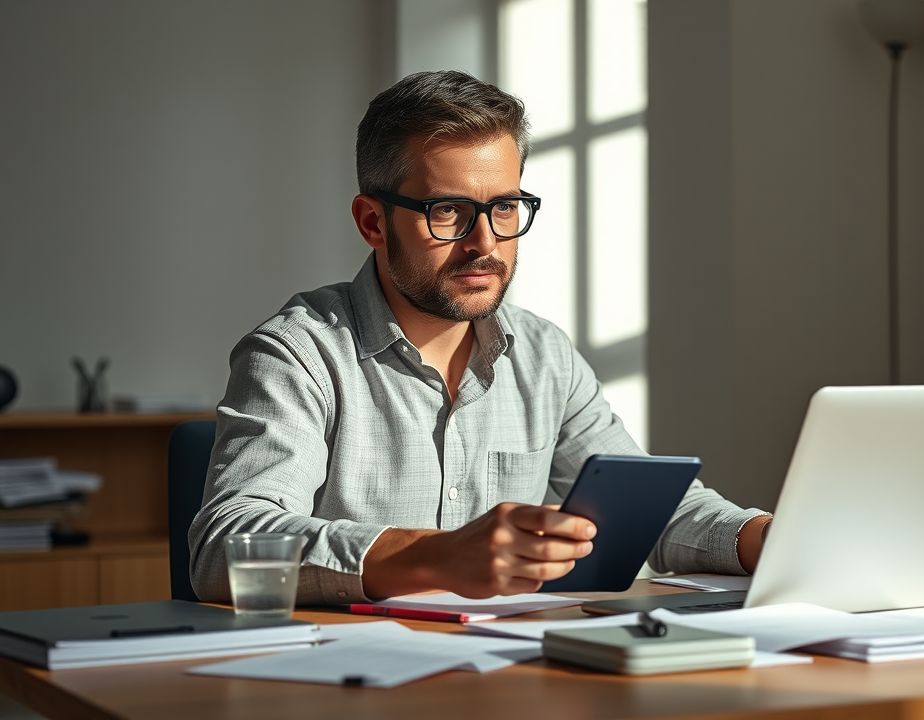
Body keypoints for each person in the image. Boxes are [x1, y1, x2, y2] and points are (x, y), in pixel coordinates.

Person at [189, 70, 771, 605]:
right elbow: (229, 544)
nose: (485, 244)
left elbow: (652, 517)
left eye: (506, 208)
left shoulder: (544, 357)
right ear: (373, 222)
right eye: (448, 212)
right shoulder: (298, 353)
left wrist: (764, 537)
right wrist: (432, 557)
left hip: (508, 673)